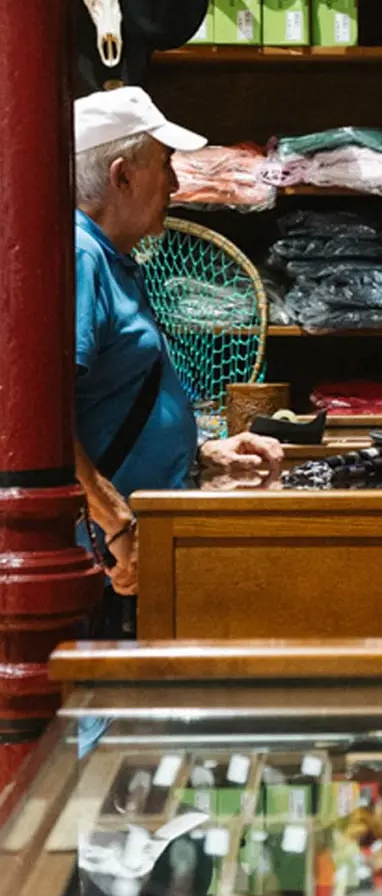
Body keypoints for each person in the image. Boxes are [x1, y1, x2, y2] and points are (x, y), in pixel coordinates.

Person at [74, 87, 283, 634]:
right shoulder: (80, 258)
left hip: (135, 543)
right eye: (164, 167)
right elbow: (37, 417)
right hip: (107, 562)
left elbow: (116, 398)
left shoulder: (115, 260)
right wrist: (114, 522)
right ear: (122, 177)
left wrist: (202, 452)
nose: (175, 184)